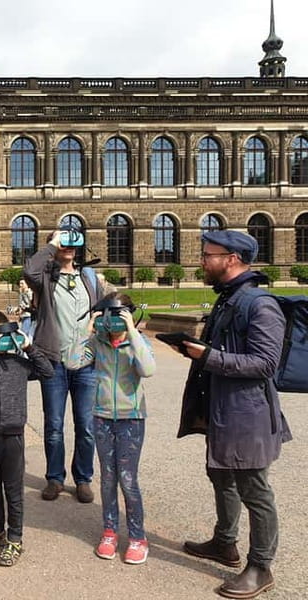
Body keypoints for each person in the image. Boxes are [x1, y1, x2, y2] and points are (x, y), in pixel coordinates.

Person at [173, 230, 291, 600]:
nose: (202, 261)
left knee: (255, 491)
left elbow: (265, 363)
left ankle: (260, 566)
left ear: (233, 259)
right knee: (221, 477)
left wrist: (206, 356)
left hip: (247, 415)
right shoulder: (229, 300)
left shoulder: (260, 304)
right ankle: (225, 543)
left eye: (208, 255)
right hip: (223, 412)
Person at [0, 310, 53, 566]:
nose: (3, 340)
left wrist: (28, 345)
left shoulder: (19, 363)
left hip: (13, 434)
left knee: (13, 490)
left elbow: (47, 372)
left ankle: (15, 539)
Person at [24, 230, 106, 503]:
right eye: (63, 242)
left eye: (72, 243)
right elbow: (29, 271)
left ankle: (83, 479)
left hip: (86, 362)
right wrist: (52, 245)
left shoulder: (89, 277)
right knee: (55, 424)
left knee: (85, 425)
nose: (69, 246)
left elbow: (103, 310)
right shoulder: (46, 277)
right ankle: (55, 478)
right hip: (53, 361)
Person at [88, 293, 156, 565]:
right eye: (108, 316)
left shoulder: (138, 342)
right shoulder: (97, 342)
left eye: (117, 316)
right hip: (103, 416)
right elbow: (70, 360)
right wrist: (88, 327)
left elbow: (148, 369)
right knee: (107, 478)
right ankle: (109, 531)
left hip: (131, 418)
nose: (112, 322)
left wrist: (132, 331)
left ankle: (138, 537)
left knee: (128, 479)